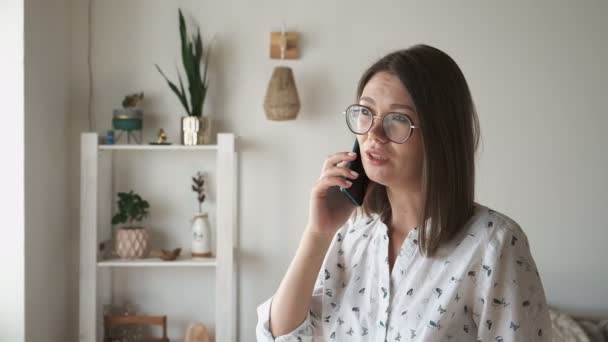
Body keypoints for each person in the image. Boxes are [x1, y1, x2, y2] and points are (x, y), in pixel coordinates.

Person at [256, 44, 552, 341]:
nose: (374, 134)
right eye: (365, 112)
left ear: (439, 133)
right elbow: (281, 336)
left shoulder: (494, 245)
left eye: (397, 119)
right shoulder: (351, 239)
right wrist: (317, 234)